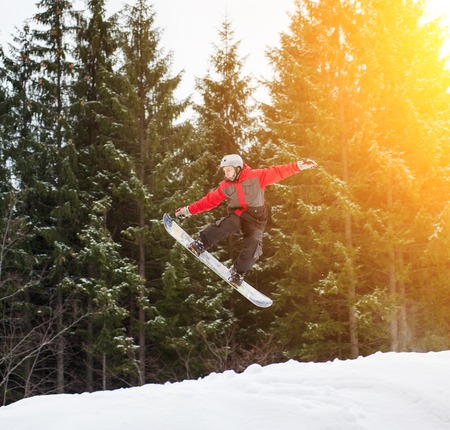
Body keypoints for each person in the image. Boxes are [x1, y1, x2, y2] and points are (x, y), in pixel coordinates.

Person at [175, 154, 318, 287]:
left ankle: (238, 272)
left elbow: (279, 172)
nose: (226, 174)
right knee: (229, 223)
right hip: (238, 214)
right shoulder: (225, 185)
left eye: (229, 170)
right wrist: (187, 210)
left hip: (256, 220)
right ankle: (201, 243)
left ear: (238, 168)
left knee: (254, 246)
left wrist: (299, 166)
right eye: (225, 171)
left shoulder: (257, 176)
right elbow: (209, 201)